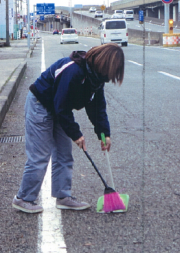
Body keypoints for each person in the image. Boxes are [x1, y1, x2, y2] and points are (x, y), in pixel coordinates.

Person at [12, 43, 124, 213]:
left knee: (64, 154)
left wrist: (104, 134)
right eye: (112, 70)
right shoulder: (73, 70)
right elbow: (61, 106)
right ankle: (23, 198)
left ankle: (63, 197)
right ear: (105, 64)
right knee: (40, 155)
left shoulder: (96, 78)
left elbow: (97, 108)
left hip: (59, 107)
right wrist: (76, 134)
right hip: (40, 104)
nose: (111, 76)